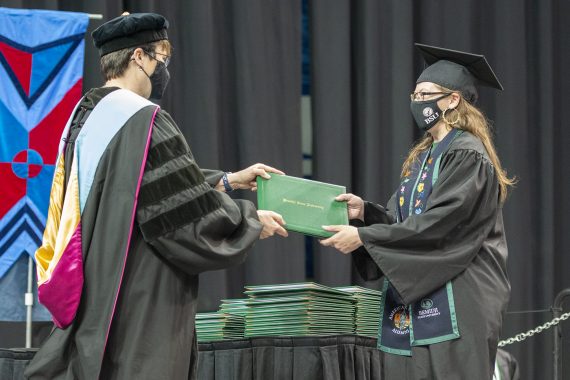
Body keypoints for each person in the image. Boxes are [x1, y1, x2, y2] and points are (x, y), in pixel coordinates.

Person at [25, 13, 287, 380]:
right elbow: (183, 218)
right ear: (138, 57)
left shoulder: (84, 115)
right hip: (140, 295)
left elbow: (137, 187)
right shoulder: (144, 119)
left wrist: (226, 181)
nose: (164, 67)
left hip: (95, 292)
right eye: (161, 57)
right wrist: (249, 220)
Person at [320, 43, 514, 379]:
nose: (417, 101)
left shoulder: (468, 153)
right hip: (420, 299)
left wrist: (364, 236)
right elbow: (406, 221)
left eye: (426, 93)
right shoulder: (425, 157)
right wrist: (365, 213)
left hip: (460, 298)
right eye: (415, 93)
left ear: (452, 99)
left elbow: (443, 224)